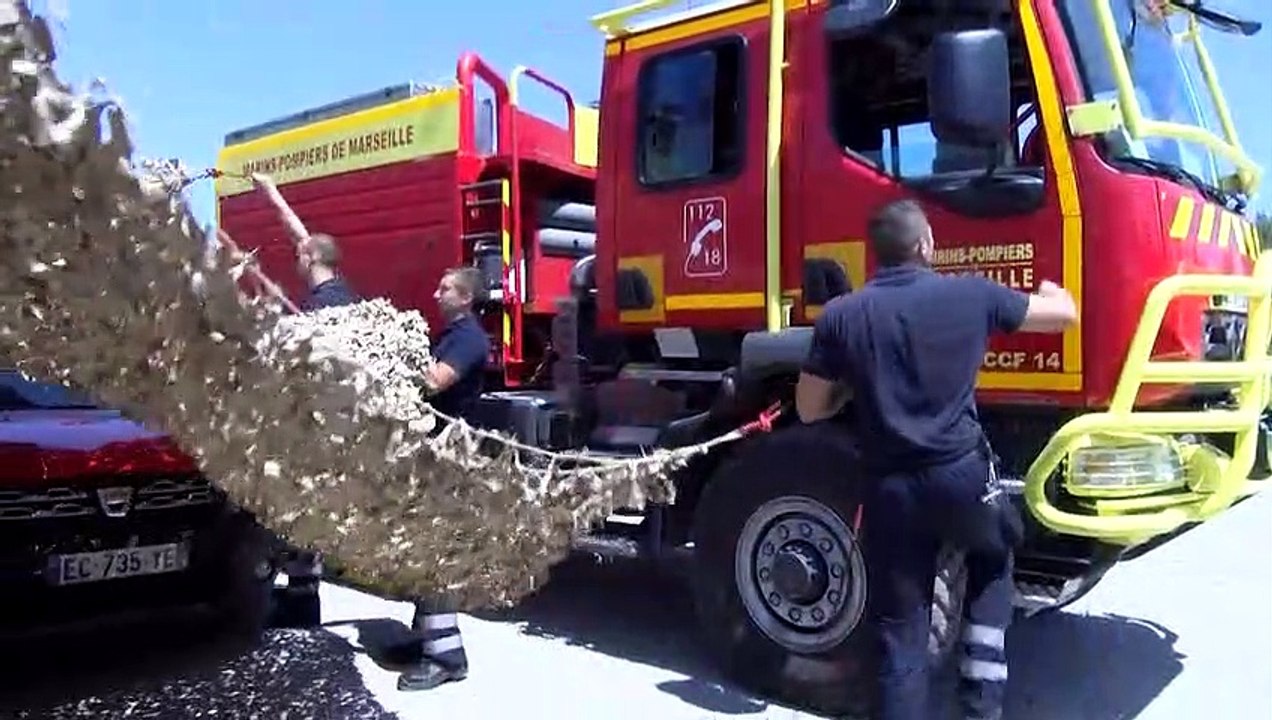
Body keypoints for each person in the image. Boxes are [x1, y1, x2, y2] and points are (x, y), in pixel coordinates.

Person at [794, 199, 1077, 720]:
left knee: (901, 628)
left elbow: (809, 410)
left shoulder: (842, 315)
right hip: (962, 477)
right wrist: (1051, 293)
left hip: (889, 490)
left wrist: (848, 393)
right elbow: (1065, 315)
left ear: (874, 254)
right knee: (993, 556)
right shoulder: (972, 294)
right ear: (926, 245)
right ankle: (979, 702)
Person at [389, 265, 491, 692]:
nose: (436, 293)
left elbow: (434, 382)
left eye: (445, 288)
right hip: (436, 455)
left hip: (452, 460)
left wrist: (388, 369)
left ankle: (447, 656)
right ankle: (427, 638)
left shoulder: (467, 340)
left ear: (466, 297)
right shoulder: (451, 335)